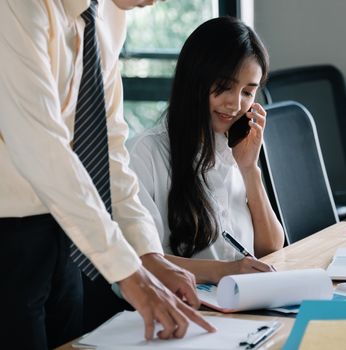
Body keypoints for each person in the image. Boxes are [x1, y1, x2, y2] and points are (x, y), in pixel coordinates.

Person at [0, 1, 214, 349]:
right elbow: (41, 148)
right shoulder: (17, 7)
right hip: (8, 234)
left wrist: (148, 255)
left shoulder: (109, 14)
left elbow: (107, 143)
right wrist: (128, 273)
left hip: (66, 227)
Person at [128, 16, 285, 284]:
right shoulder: (144, 153)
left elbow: (270, 248)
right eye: (224, 87)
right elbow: (137, 261)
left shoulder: (236, 148)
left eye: (248, 92)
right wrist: (225, 272)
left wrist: (249, 169)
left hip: (240, 300)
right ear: (195, 80)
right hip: (185, 306)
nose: (235, 104)